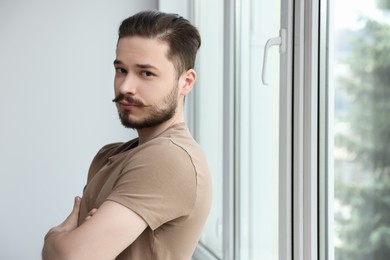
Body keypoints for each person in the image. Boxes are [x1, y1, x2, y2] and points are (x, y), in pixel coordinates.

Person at [42, 10, 212, 260]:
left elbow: (72, 257)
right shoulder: (110, 154)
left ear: (186, 82)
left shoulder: (170, 158)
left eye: (146, 73)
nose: (125, 87)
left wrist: (53, 239)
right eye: (121, 70)